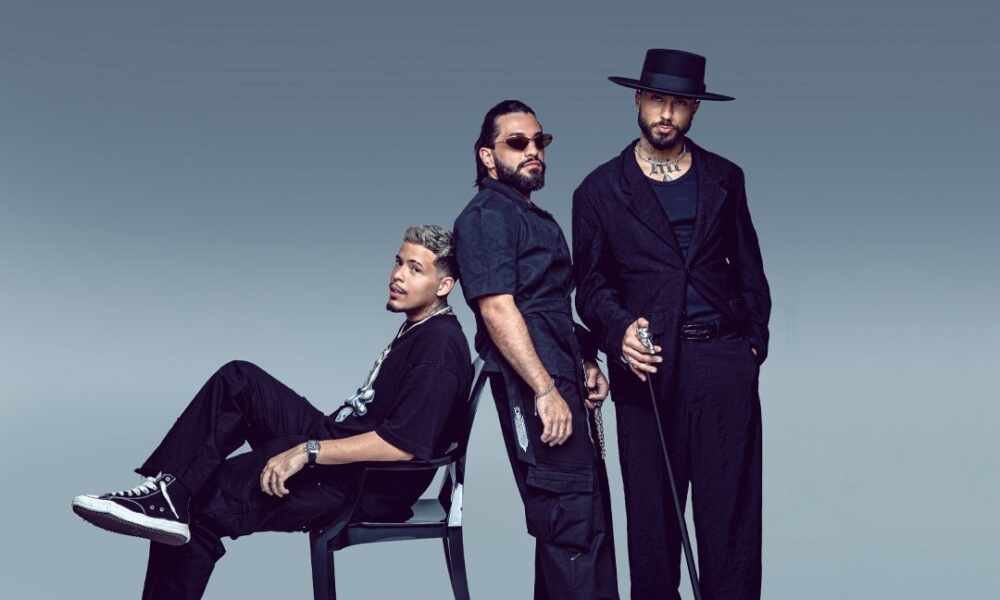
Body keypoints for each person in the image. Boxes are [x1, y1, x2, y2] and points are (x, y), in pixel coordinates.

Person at [72, 225, 473, 600]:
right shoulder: (422, 327)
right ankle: (169, 491)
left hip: (360, 484)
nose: (398, 275)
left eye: (415, 269)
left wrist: (307, 451)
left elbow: (401, 445)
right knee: (239, 380)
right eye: (399, 262)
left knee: (199, 504)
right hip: (340, 445)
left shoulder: (438, 348)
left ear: (444, 285)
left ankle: (176, 500)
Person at [572, 49, 772, 600]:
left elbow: (750, 269)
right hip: (648, 368)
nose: (667, 113)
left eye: (680, 103)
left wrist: (752, 347)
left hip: (722, 363)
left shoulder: (725, 177)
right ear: (638, 100)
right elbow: (590, 286)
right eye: (658, 100)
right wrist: (619, 333)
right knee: (652, 526)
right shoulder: (598, 190)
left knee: (731, 522)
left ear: (695, 110)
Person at [453, 99, 619, 600]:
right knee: (570, 523)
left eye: (539, 142)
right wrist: (545, 390)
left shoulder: (528, 215)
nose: (533, 151)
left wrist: (586, 359)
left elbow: (548, 307)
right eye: (517, 143)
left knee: (586, 518)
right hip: (535, 385)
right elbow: (497, 309)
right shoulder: (486, 217)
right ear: (487, 156)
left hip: (560, 374)